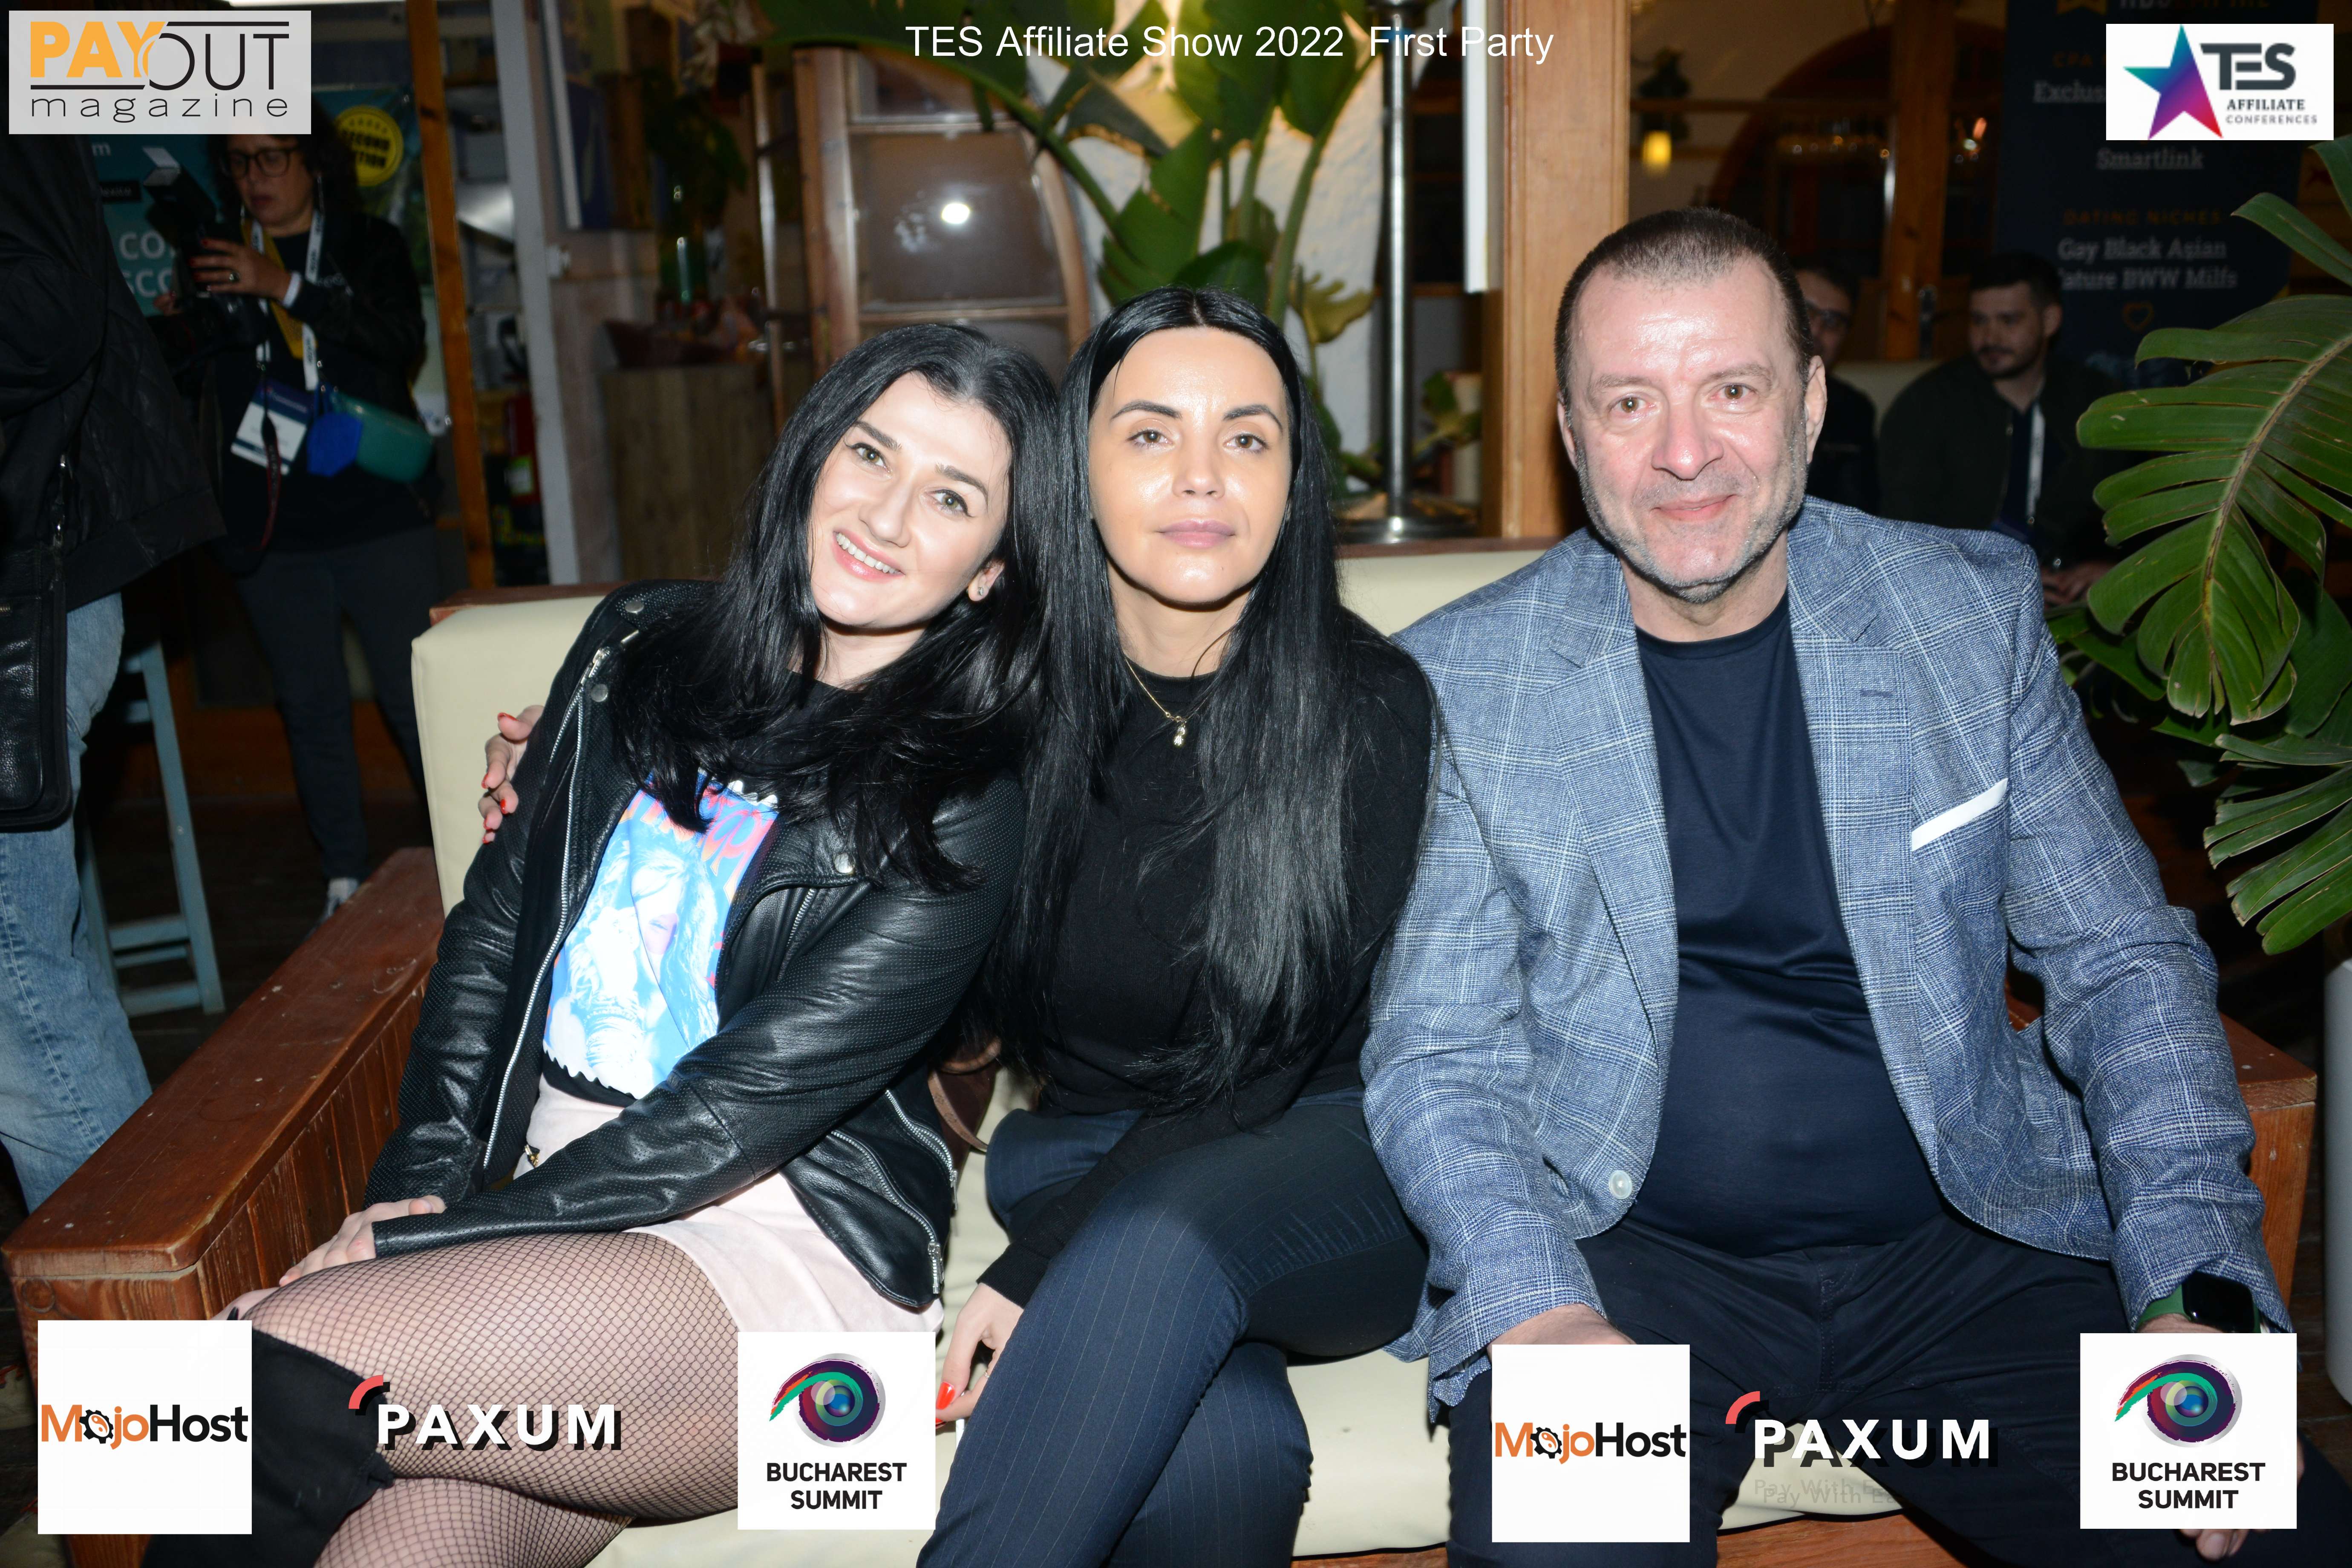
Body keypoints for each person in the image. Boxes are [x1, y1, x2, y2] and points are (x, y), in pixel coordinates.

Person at [1364, 208, 2350, 1567]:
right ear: (1571, 430)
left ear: (1812, 399)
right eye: (1630, 402)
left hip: (1968, 1253)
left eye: (1732, 389)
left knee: (2275, 1542)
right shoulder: (1465, 681)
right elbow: (1439, 1052)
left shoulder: (1964, 614)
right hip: (1629, 1269)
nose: (1685, 451)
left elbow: (2122, 958)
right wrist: (1541, 1309)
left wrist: (2196, 1288)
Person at [482, 288, 1435, 1566]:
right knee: (1229, 1460)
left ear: (1292, 478)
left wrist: (1044, 1258)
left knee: (1158, 1242)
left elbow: (1258, 1072)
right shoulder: (1000, 700)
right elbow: (783, 726)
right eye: (1150, 432)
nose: (1201, 474)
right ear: (1075, 472)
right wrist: (581, 763)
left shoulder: (1368, 704)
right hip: (1073, 1146)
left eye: (1248, 437)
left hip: (1316, 1157)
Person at [150, 324, 1051, 1568]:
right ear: (812, 456)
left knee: (199, 1396)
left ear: (991, 569)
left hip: (801, 1309)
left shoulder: (966, 797)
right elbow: (492, 935)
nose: (887, 516)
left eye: (949, 497)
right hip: (553, 1231)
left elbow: (725, 1116)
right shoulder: (639, 644)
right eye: (869, 454)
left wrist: (415, 1247)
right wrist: (421, 1183)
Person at [0, 133, 222, 1213]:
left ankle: (139, 1307)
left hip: (28, 582)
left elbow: (48, 309)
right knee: (33, 974)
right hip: (41, 570)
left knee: (20, 992)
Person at [166, 118, 438, 921]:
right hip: (274, 521)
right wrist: (185, 331)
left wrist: (282, 286)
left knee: (415, 699)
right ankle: (342, 881)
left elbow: (397, 340)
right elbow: (208, 389)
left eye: (271, 157)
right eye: (239, 162)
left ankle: (474, 864)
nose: (255, 176)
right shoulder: (213, 256)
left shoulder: (368, 244)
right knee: (311, 706)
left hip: (379, 513)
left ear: (314, 161)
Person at [1878, 251, 2124, 608]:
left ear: (2050, 320)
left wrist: (2117, 570)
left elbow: (2149, 509)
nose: (1989, 337)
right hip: (1962, 600)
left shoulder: (2098, 402)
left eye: (2008, 320)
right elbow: (1902, 534)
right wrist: (2000, 580)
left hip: (2079, 602)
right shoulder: (1926, 405)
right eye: (1979, 321)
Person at [1789, 255, 1877, 512]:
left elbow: (1859, 512)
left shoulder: (1854, 411)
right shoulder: (1731, 390)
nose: (1815, 331)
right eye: (1805, 311)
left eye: (1832, 321)